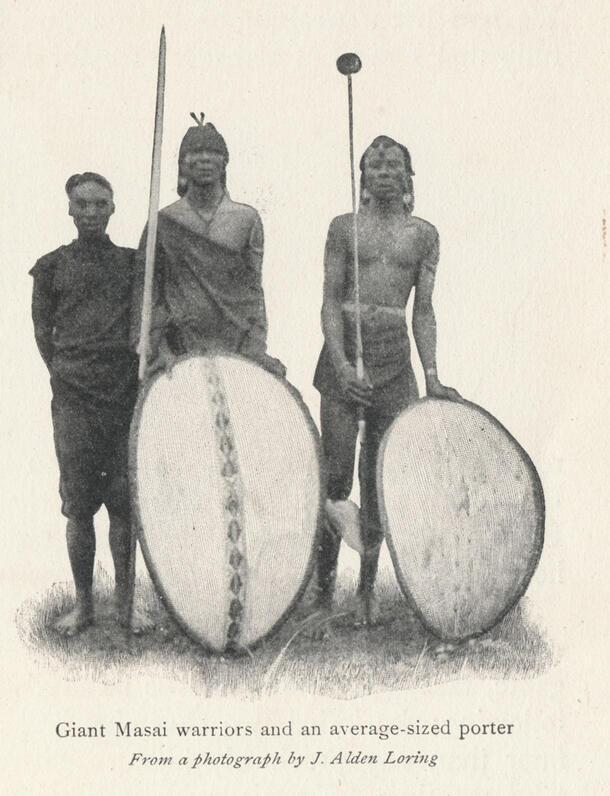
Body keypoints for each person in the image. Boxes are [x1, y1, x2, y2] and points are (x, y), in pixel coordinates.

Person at [313, 135, 461, 631]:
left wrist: (433, 376)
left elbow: (423, 311)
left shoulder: (424, 235)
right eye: (373, 162)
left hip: (394, 363)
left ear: (407, 176)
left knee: (380, 479)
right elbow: (331, 301)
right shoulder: (343, 228)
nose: (382, 169)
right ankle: (321, 591)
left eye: (392, 163)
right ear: (362, 176)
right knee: (334, 477)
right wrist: (339, 364)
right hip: (343, 361)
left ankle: (366, 592)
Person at [30, 172, 149, 636]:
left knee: (123, 504)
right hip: (75, 400)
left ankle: (125, 604)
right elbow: (43, 335)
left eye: (100, 204)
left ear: (113, 208)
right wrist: (69, 374)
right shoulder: (51, 266)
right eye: (83, 204)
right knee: (79, 507)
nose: (92, 212)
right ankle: (84, 605)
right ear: (70, 210)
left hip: (123, 397)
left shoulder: (133, 262)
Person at [132, 114, 284, 377]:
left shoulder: (246, 219)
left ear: (224, 162)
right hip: (179, 346)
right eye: (195, 152)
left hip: (236, 342)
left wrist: (256, 343)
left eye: (212, 152)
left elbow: (253, 289)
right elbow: (148, 292)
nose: (204, 159)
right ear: (182, 164)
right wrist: (159, 348)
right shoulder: (164, 221)